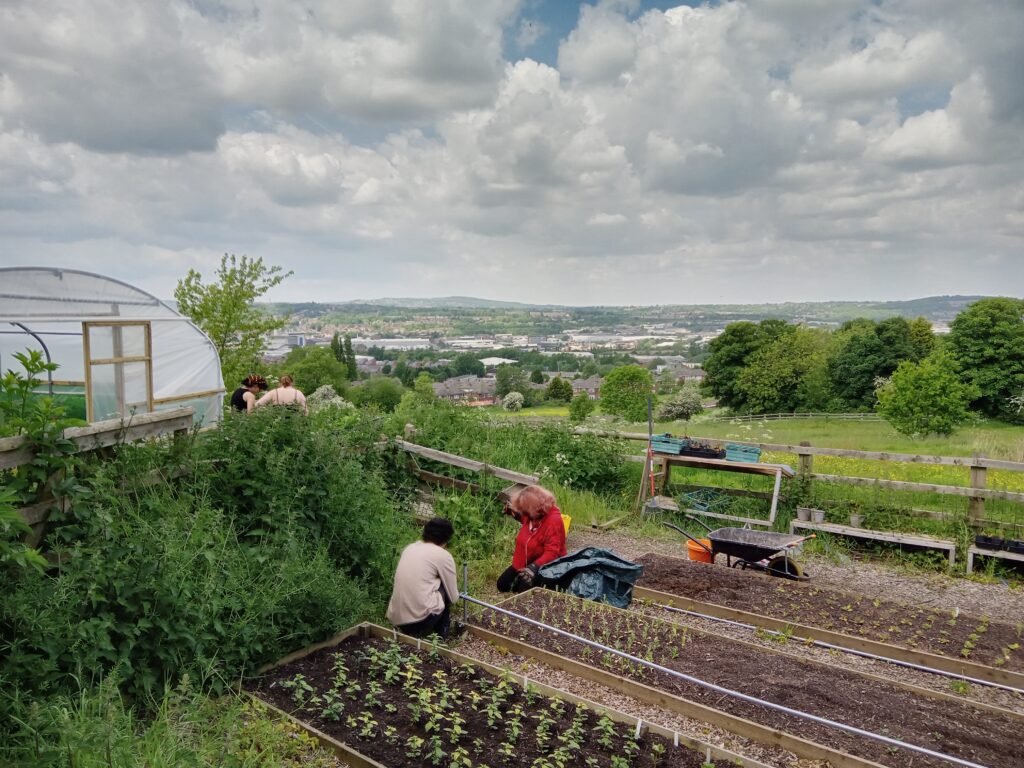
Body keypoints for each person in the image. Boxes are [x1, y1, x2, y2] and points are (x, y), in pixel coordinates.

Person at [387, 517, 459, 639]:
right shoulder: (443, 555)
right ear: (446, 539)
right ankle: (442, 635)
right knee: (443, 586)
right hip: (420, 621)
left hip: (397, 619)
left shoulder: (410, 548)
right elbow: (453, 597)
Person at [497, 484, 567, 593]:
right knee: (502, 585)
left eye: (525, 509)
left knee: (523, 594)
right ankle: (524, 579)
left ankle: (546, 584)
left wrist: (533, 567)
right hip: (525, 561)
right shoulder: (532, 515)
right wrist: (512, 511)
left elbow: (552, 553)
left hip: (544, 566)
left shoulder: (553, 521)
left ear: (535, 508)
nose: (523, 512)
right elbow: (524, 517)